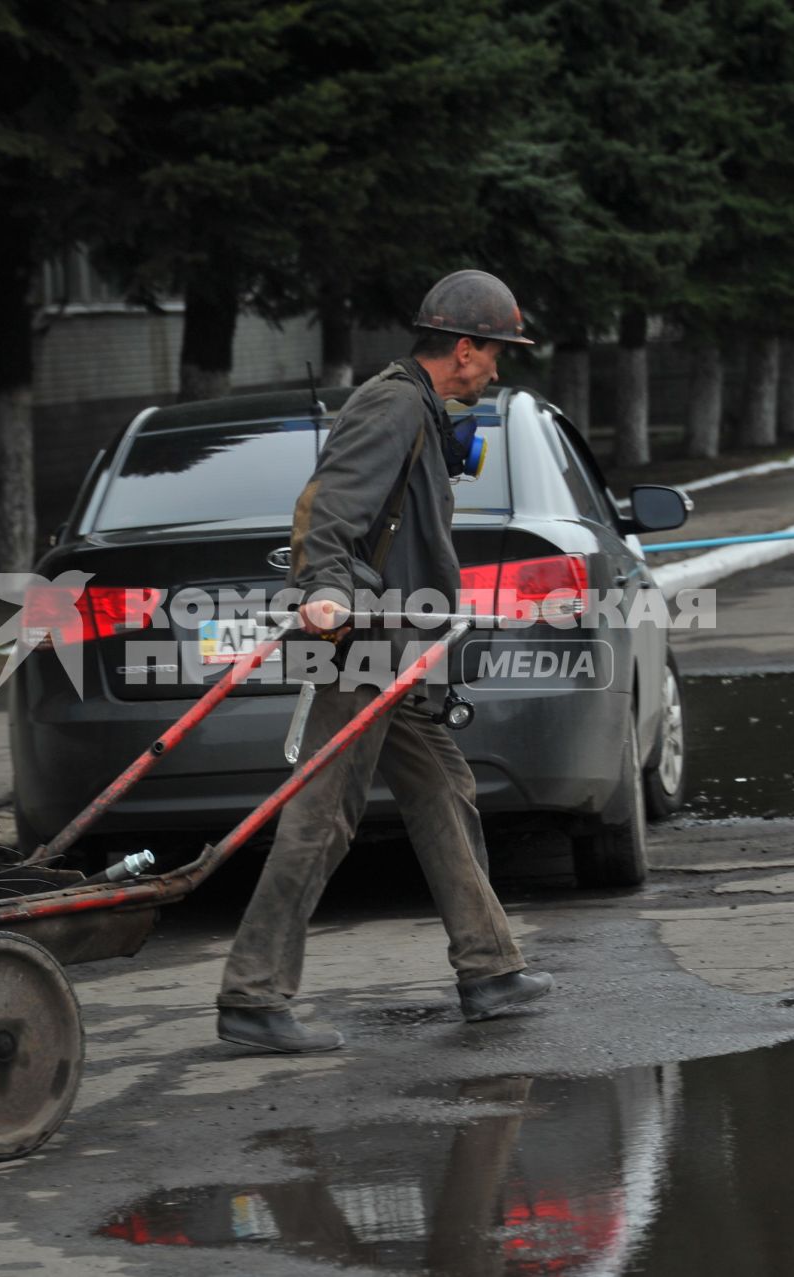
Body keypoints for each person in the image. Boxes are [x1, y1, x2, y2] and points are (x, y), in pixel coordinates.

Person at [214, 270, 553, 1054]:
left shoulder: (423, 408)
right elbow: (332, 509)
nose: (498, 369)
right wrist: (326, 591)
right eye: (496, 352)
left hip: (400, 645)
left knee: (443, 787)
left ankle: (490, 967)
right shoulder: (394, 402)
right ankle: (253, 995)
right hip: (362, 641)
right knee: (322, 816)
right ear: (464, 348)